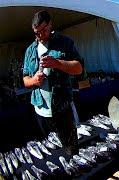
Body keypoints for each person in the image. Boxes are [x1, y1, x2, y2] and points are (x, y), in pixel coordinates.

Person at [23, 10, 83, 155]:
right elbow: (25, 80)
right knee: (52, 153)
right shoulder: (30, 50)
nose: (40, 35)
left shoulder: (65, 42)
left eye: (43, 30)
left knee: (70, 150)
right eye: (36, 32)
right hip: (40, 110)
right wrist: (34, 80)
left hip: (62, 108)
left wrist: (58, 63)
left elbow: (79, 68)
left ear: (50, 24)